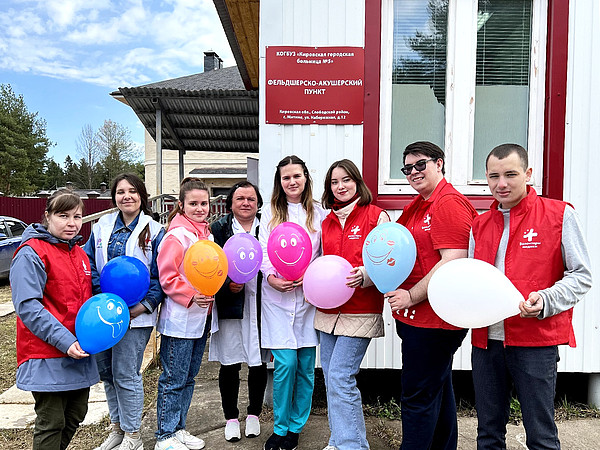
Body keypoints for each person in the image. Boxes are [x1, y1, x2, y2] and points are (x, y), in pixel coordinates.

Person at [469, 144, 592, 449]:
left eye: (510, 174)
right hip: (486, 343)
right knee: (488, 434)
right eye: (494, 176)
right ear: (486, 177)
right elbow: (472, 280)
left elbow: (581, 276)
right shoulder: (479, 225)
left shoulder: (559, 215)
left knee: (541, 435)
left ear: (528, 174)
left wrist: (546, 300)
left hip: (535, 342)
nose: (501, 184)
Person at [384, 141, 477, 449]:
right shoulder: (418, 205)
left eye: (420, 164)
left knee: (417, 399)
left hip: (434, 322)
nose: (413, 172)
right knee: (436, 390)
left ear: (439, 163)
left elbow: (453, 259)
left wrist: (411, 296)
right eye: (407, 168)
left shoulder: (447, 203)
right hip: (418, 320)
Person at [11, 189, 99, 450]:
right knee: (52, 422)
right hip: (46, 352)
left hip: (78, 351)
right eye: (63, 216)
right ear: (47, 216)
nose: (72, 223)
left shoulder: (79, 254)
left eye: (77, 216)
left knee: (75, 415)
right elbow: (28, 307)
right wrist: (65, 341)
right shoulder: (31, 253)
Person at [85, 174, 165, 450]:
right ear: (114, 197)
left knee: (126, 374)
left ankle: (133, 436)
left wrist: (140, 308)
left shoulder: (154, 230)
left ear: (142, 195)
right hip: (104, 314)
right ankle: (117, 430)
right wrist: (103, 298)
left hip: (136, 315)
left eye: (132, 191)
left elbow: (160, 276)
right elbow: (89, 264)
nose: (126, 196)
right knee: (107, 373)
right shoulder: (101, 226)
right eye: (120, 192)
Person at [316, 159, 390, 450]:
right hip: (328, 313)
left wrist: (366, 275)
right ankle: (338, 440)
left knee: (340, 376)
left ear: (357, 182)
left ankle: (353, 445)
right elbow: (321, 265)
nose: (340, 186)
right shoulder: (326, 223)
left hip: (361, 310)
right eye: (334, 182)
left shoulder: (376, 216)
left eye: (346, 180)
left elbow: (388, 260)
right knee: (331, 378)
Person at [259, 155, 327, 450]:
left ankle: (296, 427)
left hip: (307, 298)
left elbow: (323, 253)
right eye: (286, 177)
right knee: (285, 365)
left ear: (305, 177)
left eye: (296, 176)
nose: (292, 181)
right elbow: (263, 250)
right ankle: (280, 427)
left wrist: (310, 275)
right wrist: (271, 277)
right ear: (280, 181)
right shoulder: (270, 211)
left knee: (306, 367)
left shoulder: (318, 212)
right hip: (277, 299)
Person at [155, 177, 214, 450]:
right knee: (173, 379)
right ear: (181, 205)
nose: (200, 208)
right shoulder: (177, 236)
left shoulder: (207, 235)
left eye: (204, 203)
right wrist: (190, 295)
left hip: (201, 318)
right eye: (193, 204)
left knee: (189, 378)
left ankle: (179, 428)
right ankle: (164, 435)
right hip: (179, 319)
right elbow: (167, 276)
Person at [209, 181, 268, 442]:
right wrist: (226, 286)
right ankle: (231, 418)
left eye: (251, 199)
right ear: (231, 203)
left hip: (263, 303)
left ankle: (254, 414)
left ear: (258, 203)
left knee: (258, 362)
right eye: (240, 198)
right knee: (230, 361)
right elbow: (210, 266)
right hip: (231, 304)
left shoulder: (267, 227)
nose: (246, 203)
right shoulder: (219, 229)